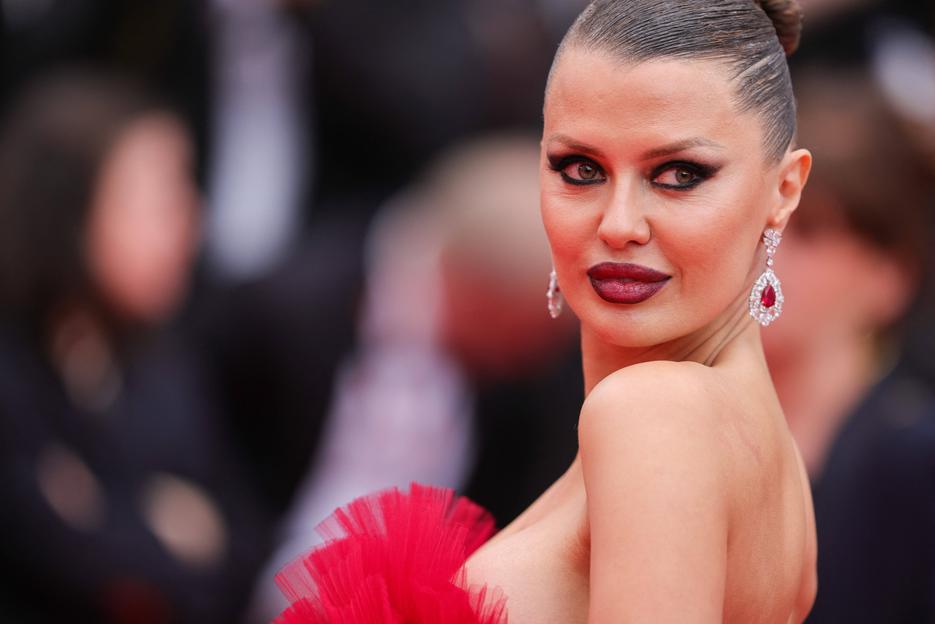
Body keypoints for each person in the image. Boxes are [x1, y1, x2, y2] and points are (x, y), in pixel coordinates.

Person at [273, 1, 816, 622]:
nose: (618, 224)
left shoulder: (653, 415)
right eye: (581, 169)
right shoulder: (764, 446)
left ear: (783, 191)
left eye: (679, 175)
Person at [0, 72, 270, 623]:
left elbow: (243, 552)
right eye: (157, 202)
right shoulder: (14, 371)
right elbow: (49, 555)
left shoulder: (166, 362)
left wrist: (99, 510)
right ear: (69, 212)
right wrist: (156, 521)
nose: (190, 224)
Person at [764, 69, 935, 623]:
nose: (767, 252)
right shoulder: (685, 416)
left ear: (889, 275)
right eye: (761, 223)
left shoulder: (916, 460)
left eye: (808, 232)